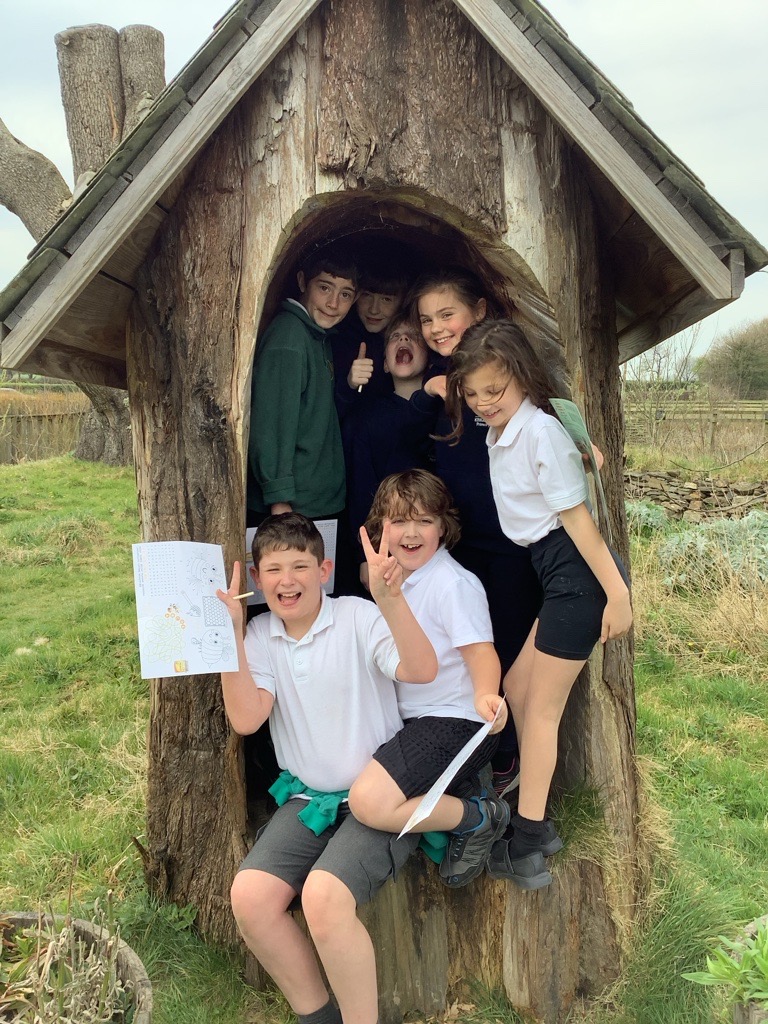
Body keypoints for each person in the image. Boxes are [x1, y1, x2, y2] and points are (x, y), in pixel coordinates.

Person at [217, 512, 437, 1024]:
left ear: (325, 569)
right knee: (250, 897)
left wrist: (392, 600)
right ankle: (318, 1016)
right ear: (256, 578)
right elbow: (247, 718)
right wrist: (230, 634)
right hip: (310, 799)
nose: (286, 580)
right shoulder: (260, 635)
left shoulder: (359, 617)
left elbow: (422, 671)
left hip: (378, 802)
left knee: (324, 896)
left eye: (299, 566)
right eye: (272, 570)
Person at [445, 319, 632, 890]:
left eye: (494, 391)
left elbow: (578, 521)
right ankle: (539, 825)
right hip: (554, 573)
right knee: (517, 690)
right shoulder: (501, 431)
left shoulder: (538, 431)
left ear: (521, 378)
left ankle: (527, 843)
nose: (483, 403)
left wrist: (619, 595)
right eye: (472, 394)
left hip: (578, 575)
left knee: (542, 711)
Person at [409, 268, 547, 796]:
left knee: (509, 655)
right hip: (463, 548)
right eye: (427, 319)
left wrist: (583, 446)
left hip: (513, 548)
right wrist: (427, 394)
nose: (437, 327)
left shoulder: (504, 378)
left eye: (448, 314)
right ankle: (473, 759)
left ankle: (508, 763)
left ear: (481, 310)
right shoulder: (444, 392)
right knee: (469, 655)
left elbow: (550, 418)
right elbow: (414, 449)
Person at [347, 469, 510, 889]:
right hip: (413, 721)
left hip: (458, 721)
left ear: (443, 526)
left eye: (424, 520)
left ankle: (477, 817)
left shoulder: (453, 584)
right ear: (381, 527)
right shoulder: (395, 580)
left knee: (368, 803)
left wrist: (485, 695)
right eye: (399, 521)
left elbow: (481, 652)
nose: (411, 532)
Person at [247, 244, 358, 530]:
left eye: (345, 294)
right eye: (324, 288)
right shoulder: (289, 339)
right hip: (294, 509)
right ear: (301, 282)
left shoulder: (317, 336)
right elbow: (272, 424)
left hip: (316, 502)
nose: (333, 303)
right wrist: (279, 499)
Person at [341, 315, 434, 587]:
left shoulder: (445, 413)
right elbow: (360, 490)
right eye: (395, 337)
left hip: (437, 546)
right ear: (383, 362)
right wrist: (363, 554)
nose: (404, 339)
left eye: (414, 336)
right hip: (387, 552)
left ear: (429, 359)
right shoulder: (367, 419)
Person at [333, 252, 412, 416]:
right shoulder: (339, 340)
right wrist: (349, 384)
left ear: (403, 301)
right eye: (367, 296)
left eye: (386, 299)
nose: (374, 309)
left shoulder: (414, 342)